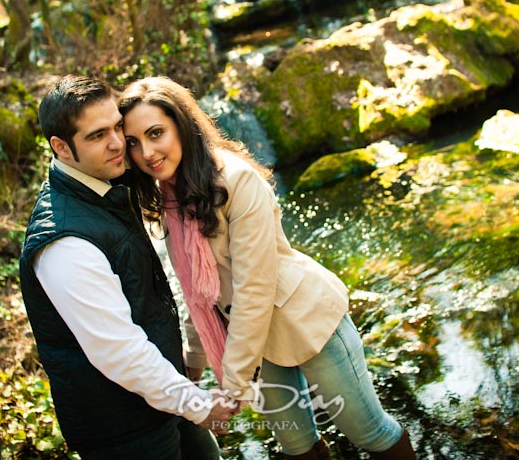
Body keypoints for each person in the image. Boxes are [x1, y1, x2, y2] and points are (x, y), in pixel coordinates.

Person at [117, 75, 418, 460]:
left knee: (369, 434)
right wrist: (193, 364)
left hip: (306, 323)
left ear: (182, 126)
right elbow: (199, 293)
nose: (147, 152)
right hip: (254, 342)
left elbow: (253, 290)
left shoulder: (236, 180)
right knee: (296, 446)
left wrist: (234, 386)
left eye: (156, 133)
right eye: (134, 143)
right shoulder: (171, 198)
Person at [19, 75, 238, 460]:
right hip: (123, 431)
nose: (119, 142)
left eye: (118, 126)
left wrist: (185, 366)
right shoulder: (64, 242)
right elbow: (117, 349)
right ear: (60, 147)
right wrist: (197, 403)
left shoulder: (104, 185)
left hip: (162, 396)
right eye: (97, 135)